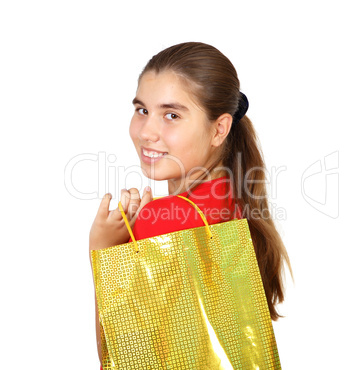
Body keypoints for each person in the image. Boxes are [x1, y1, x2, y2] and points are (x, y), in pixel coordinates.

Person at [89, 41, 292, 368]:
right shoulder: (238, 197)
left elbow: (123, 356)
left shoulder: (159, 220)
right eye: (142, 110)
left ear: (220, 129)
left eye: (171, 115)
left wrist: (102, 249)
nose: (147, 132)